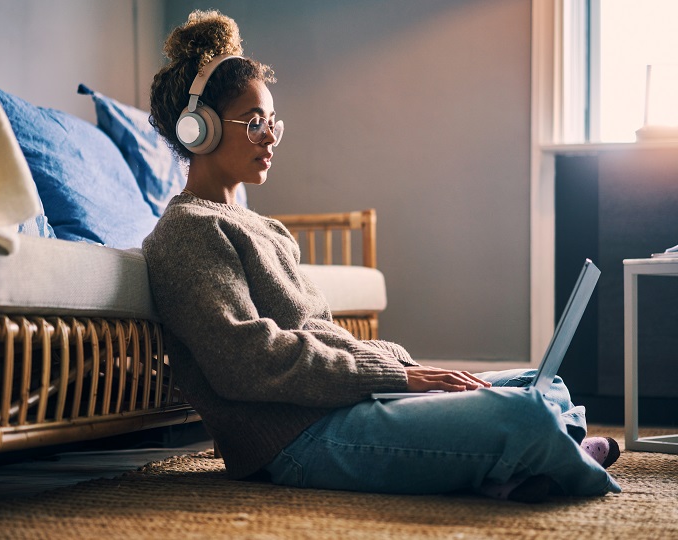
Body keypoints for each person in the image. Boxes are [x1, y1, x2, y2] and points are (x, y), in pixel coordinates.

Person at [143, 9, 620, 503]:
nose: (269, 137)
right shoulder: (187, 231)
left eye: (272, 123)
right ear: (198, 130)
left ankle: (523, 467)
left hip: (344, 401)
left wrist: (403, 371)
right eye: (254, 122)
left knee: (540, 383)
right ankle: (549, 455)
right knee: (525, 413)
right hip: (297, 437)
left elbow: (321, 335)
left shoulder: (265, 227)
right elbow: (246, 362)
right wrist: (399, 378)